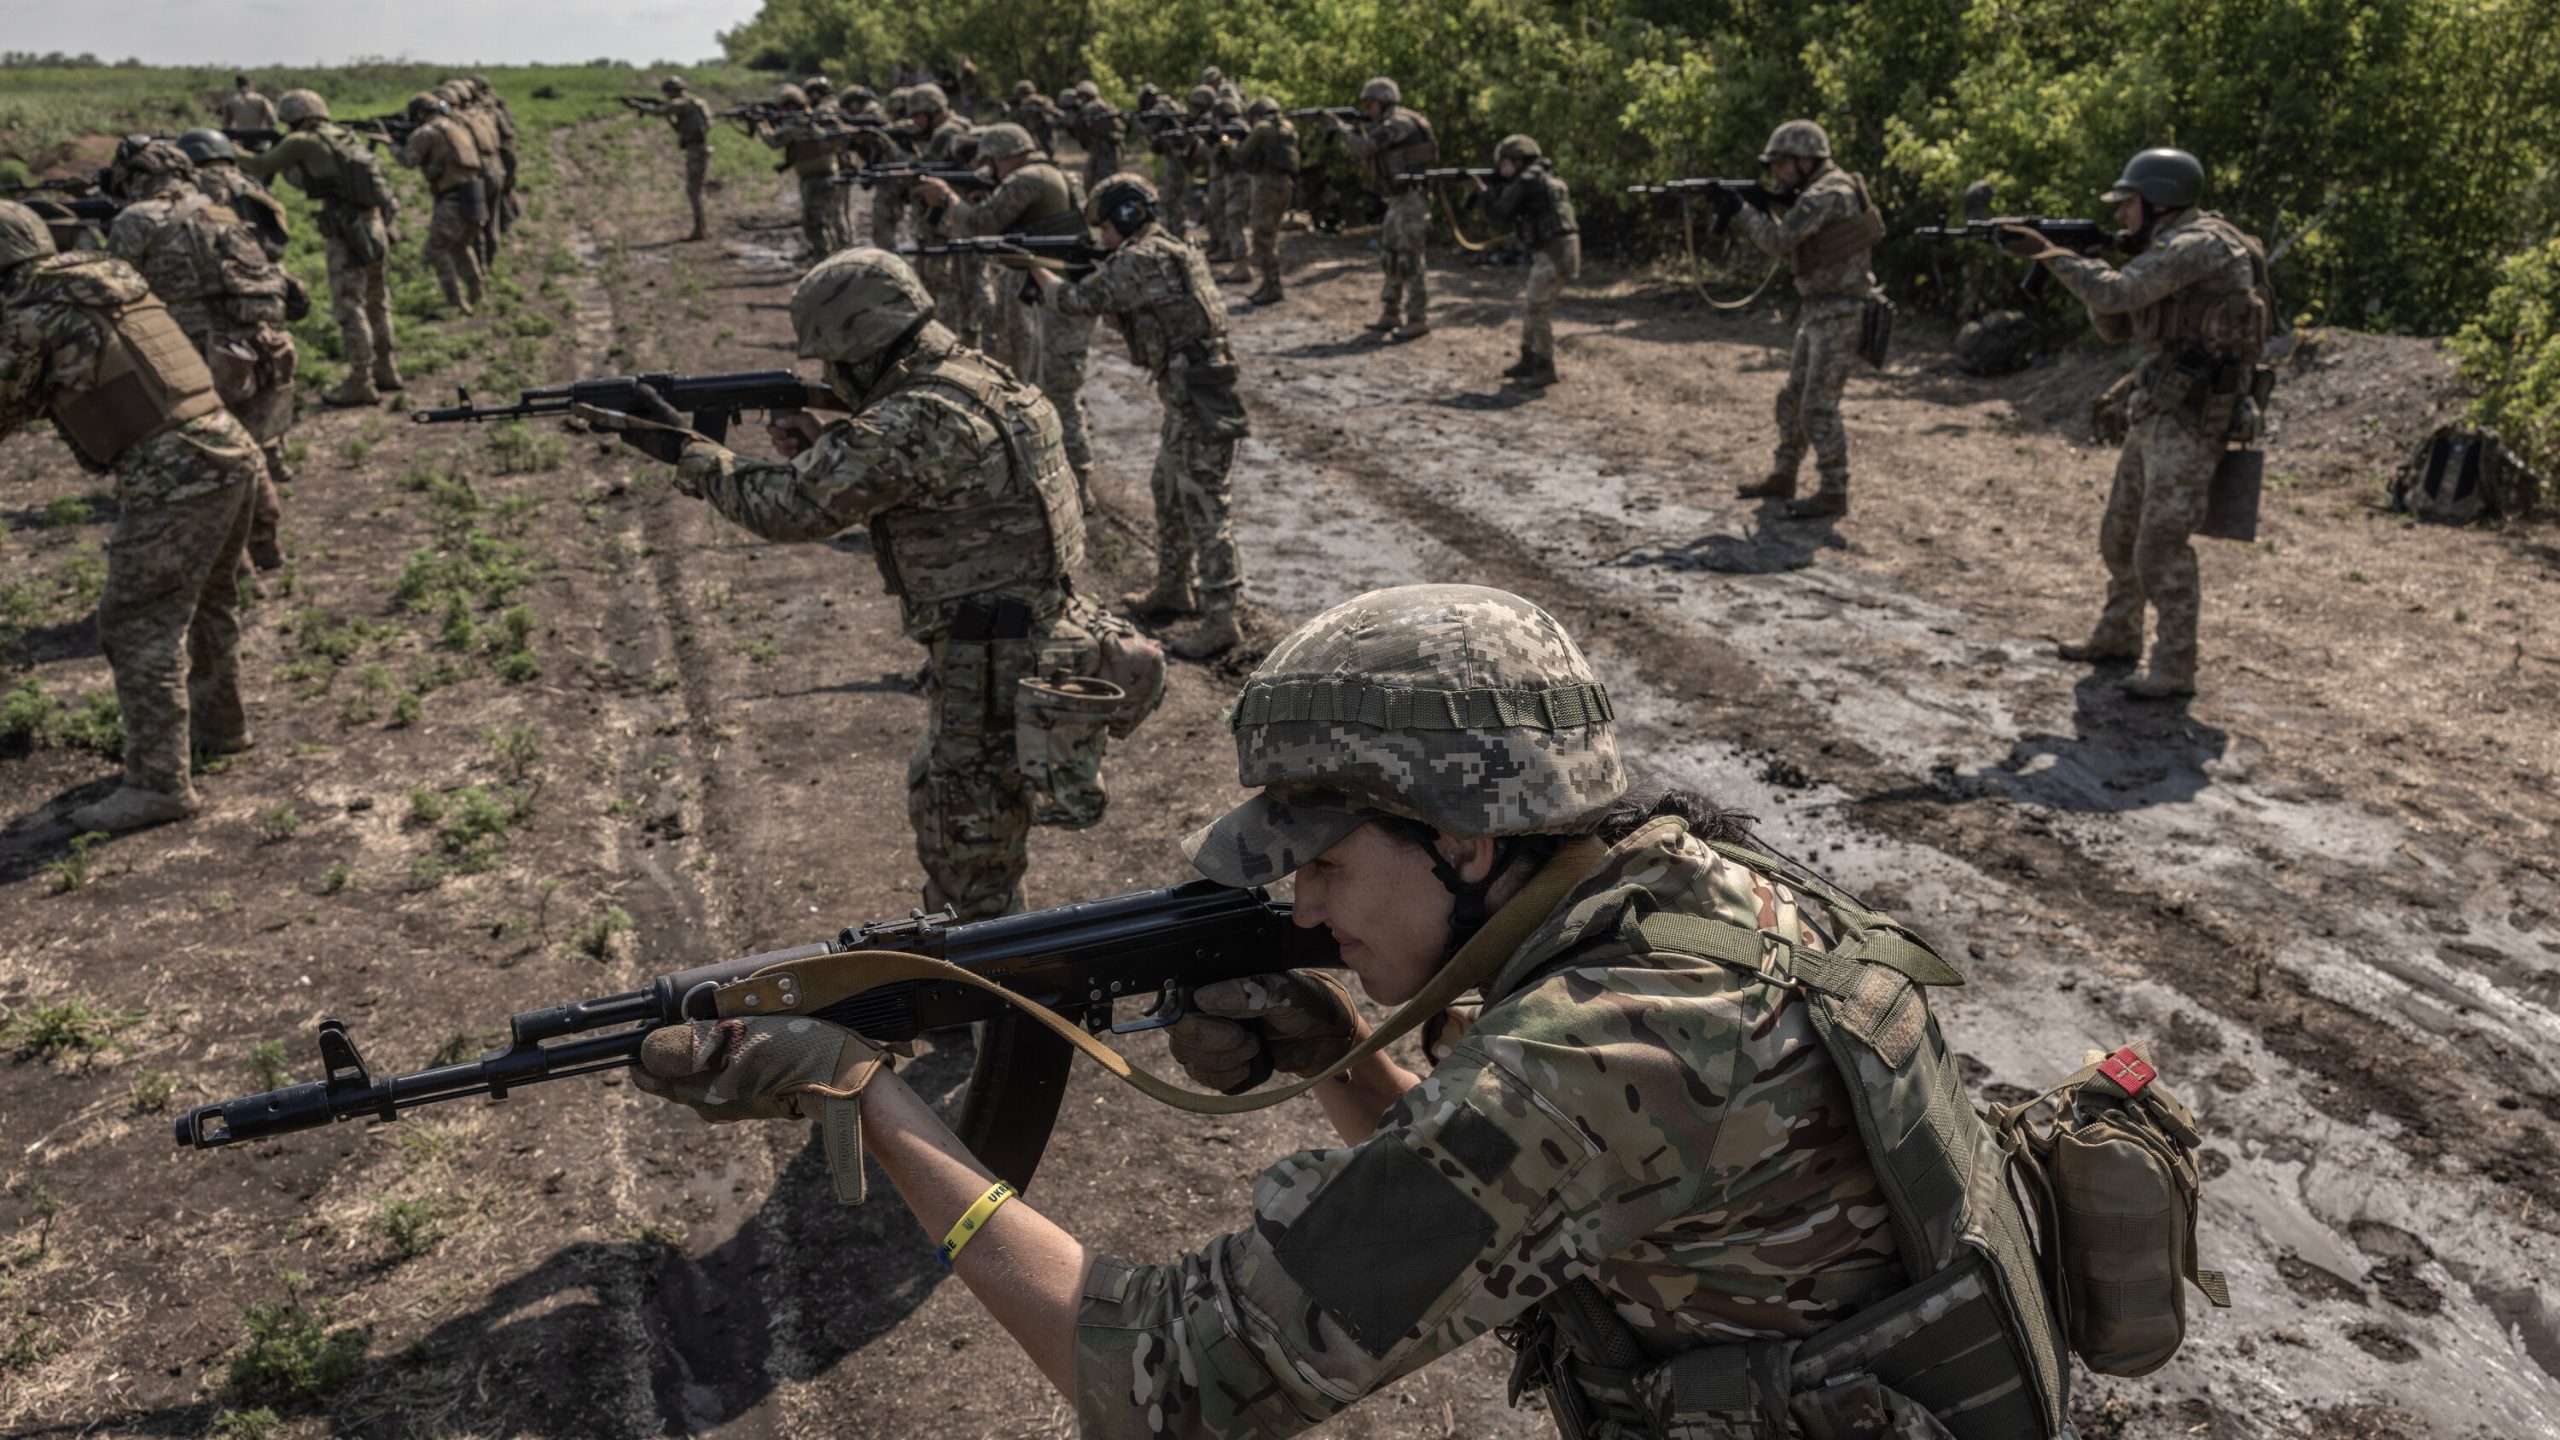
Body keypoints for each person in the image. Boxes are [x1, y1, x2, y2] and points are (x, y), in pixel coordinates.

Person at [628, 581, 2074, 1440]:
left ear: (1462, 836)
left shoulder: (1603, 1055)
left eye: (1324, 863)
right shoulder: (1701, 891)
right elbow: (1518, 1194)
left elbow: (1158, 1380)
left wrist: (868, 1102)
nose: (1304, 910)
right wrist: (1333, 1052)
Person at [608, 248, 1117, 922]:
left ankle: (995, 1003)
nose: (826, 374)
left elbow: (787, 508)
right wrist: (832, 439)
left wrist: (688, 452)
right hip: (1026, 643)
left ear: (859, 342)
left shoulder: (912, 420)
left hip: (991, 666)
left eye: (831, 360)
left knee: (969, 854)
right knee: (963, 828)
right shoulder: (978, 378)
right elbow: (939, 483)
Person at [0, 202, 263, 833]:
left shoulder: (34, 317)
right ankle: (221, 727)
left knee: (135, 623)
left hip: (175, 473)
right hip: (228, 448)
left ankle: (157, 784)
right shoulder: (102, 281)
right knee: (209, 600)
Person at [2018, 147, 2274, 700]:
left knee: (2160, 544)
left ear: (2159, 201)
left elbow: (2115, 291)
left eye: (2127, 203)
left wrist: (2052, 256)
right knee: (2121, 534)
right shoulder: (2166, 244)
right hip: (2158, 406)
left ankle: (2175, 665)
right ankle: (2117, 636)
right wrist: (2079, 257)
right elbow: (2115, 325)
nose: (2119, 216)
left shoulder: (2199, 244)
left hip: (2194, 414)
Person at [1031, 175, 1250, 659]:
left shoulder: (1141, 258)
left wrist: (1037, 272)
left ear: (1128, 216)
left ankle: (1222, 619)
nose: (1103, 238)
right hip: (1188, 393)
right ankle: (1174, 587)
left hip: (1199, 397)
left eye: (1106, 227)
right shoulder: (1167, 248)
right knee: (1167, 489)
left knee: (1206, 508)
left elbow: (1077, 302)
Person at [102, 140, 299, 574]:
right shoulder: (220, 210)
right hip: (253, 349)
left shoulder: (135, 220)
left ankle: (233, 566)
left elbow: (113, 293)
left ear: (137, 178)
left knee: (204, 464)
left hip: (193, 360)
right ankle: (265, 541)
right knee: (248, 449)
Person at [914, 123, 1097, 495]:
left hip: (1060, 293)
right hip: (1057, 289)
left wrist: (949, 199)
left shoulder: (1027, 177)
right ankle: (1058, 473)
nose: (992, 170)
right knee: (1041, 380)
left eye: (993, 163)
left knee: (1055, 388)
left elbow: (983, 224)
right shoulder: (1048, 172)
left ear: (1005, 155)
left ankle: (1078, 484)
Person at [1730, 120, 1885, 520]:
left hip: (1840, 312)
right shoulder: (1821, 191)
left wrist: (1743, 212)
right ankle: (1784, 474)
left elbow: (1779, 242)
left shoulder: (1828, 192)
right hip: (1820, 309)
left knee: (1818, 407)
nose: (1777, 174)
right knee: (1792, 398)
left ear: (1804, 160)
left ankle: (1834, 490)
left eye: (1781, 165)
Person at [237, 89, 400, 406]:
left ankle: (360, 381)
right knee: (377, 301)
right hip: (375, 223)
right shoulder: (341, 135)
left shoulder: (302, 142)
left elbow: (258, 166)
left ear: (293, 117)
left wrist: (229, 148)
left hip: (347, 230)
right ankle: (386, 369)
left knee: (349, 306)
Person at [1324, 77, 1436, 339]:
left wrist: (1341, 129)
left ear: (1383, 102)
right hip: (1399, 200)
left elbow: (1365, 149)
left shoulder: (1399, 123)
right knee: (1390, 256)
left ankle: (1417, 318)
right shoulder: (1387, 122)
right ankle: (1391, 312)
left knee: (1410, 259)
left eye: (1370, 103)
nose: (1367, 108)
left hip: (1413, 199)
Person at [1470, 134, 1578, 387]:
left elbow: (1499, 214)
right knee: (1532, 304)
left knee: (1536, 308)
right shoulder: (1542, 176)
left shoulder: (1527, 181)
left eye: (1504, 164)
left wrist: (1482, 193)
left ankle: (1544, 367)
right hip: (1558, 250)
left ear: (1516, 162)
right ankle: (1528, 360)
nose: (1501, 169)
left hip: (1554, 253)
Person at [392, 92, 485, 315]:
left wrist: (391, 145)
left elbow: (408, 161)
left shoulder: (426, 133)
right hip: (474, 193)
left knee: (435, 250)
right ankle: (477, 294)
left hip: (453, 197)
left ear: (421, 113)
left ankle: (457, 304)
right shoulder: (456, 127)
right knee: (461, 247)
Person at [752, 84, 850, 260]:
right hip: (826, 176)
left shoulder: (799, 123)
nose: (788, 110)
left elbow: (774, 142)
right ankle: (839, 253)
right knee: (829, 217)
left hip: (817, 178)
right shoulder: (814, 118)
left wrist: (761, 126)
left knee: (814, 223)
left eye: (791, 106)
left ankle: (824, 259)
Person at [631, 75, 715, 242]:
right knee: (695, 190)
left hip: (695, 149)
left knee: (693, 190)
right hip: (700, 148)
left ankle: (700, 230)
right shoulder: (697, 102)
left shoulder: (680, 104)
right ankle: (702, 227)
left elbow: (658, 111)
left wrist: (637, 105)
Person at [1234, 98, 1297, 305]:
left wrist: (1227, 142)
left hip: (1266, 185)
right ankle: (1269, 284)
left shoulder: (1262, 128)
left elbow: (1241, 155)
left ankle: (1272, 285)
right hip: (1285, 185)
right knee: (1270, 235)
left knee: (1262, 235)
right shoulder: (1288, 128)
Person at [1063, 82, 1122, 190]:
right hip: (1098, 149)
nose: (1080, 100)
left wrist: (1072, 112)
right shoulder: (1095, 106)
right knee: (1089, 180)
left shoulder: (1095, 105)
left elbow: (1081, 116)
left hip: (1106, 151)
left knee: (1107, 182)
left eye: (1081, 96)